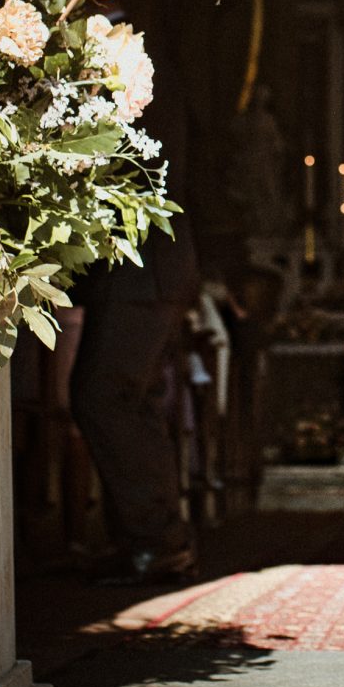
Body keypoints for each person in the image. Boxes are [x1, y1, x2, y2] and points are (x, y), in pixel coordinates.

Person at [69, 42, 201, 590]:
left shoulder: (134, 58)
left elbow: (143, 161)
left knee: (105, 397)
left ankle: (158, 541)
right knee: (126, 400)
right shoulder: (131, 55)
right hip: (143, 269)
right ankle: (147, 537)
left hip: (146, 266)